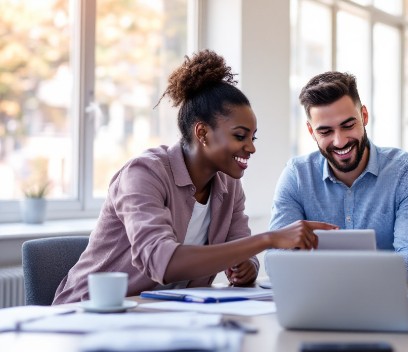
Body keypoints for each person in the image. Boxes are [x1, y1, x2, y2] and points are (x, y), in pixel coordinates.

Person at [53, 50, 335, 304]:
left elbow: (243, 250)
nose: (251, 147)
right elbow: (163, 263)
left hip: (163, 317)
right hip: (88, 314)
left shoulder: (229, 185)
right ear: (202, 133)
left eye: (252, 137)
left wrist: (246, 267)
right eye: (240, 136)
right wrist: (269, 239)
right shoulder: (143, 174)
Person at [266, 71, 408, 282]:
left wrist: (333, 274)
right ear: (311, 131)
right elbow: (276, 261)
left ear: (364, 116)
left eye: (348, 126)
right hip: (321, 303)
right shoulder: (297, 175)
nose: (340, 141)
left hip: (391, 299)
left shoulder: (406, 171)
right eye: (325, 132)